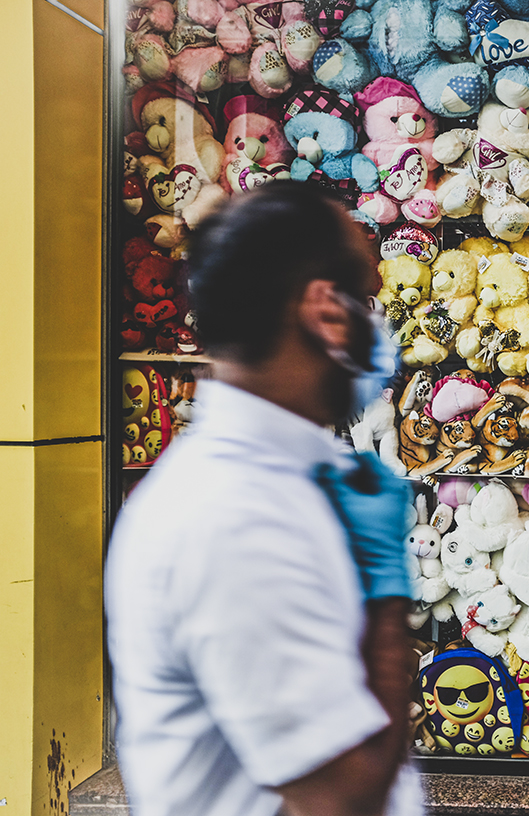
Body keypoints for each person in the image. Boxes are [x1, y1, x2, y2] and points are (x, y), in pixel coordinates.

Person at [106, 182, 421, 816]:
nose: (375, 324)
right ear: (325, 309)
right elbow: (342, 794)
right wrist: (385, 594)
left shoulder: (281, 478)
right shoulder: (235, 515)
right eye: (366, 300)